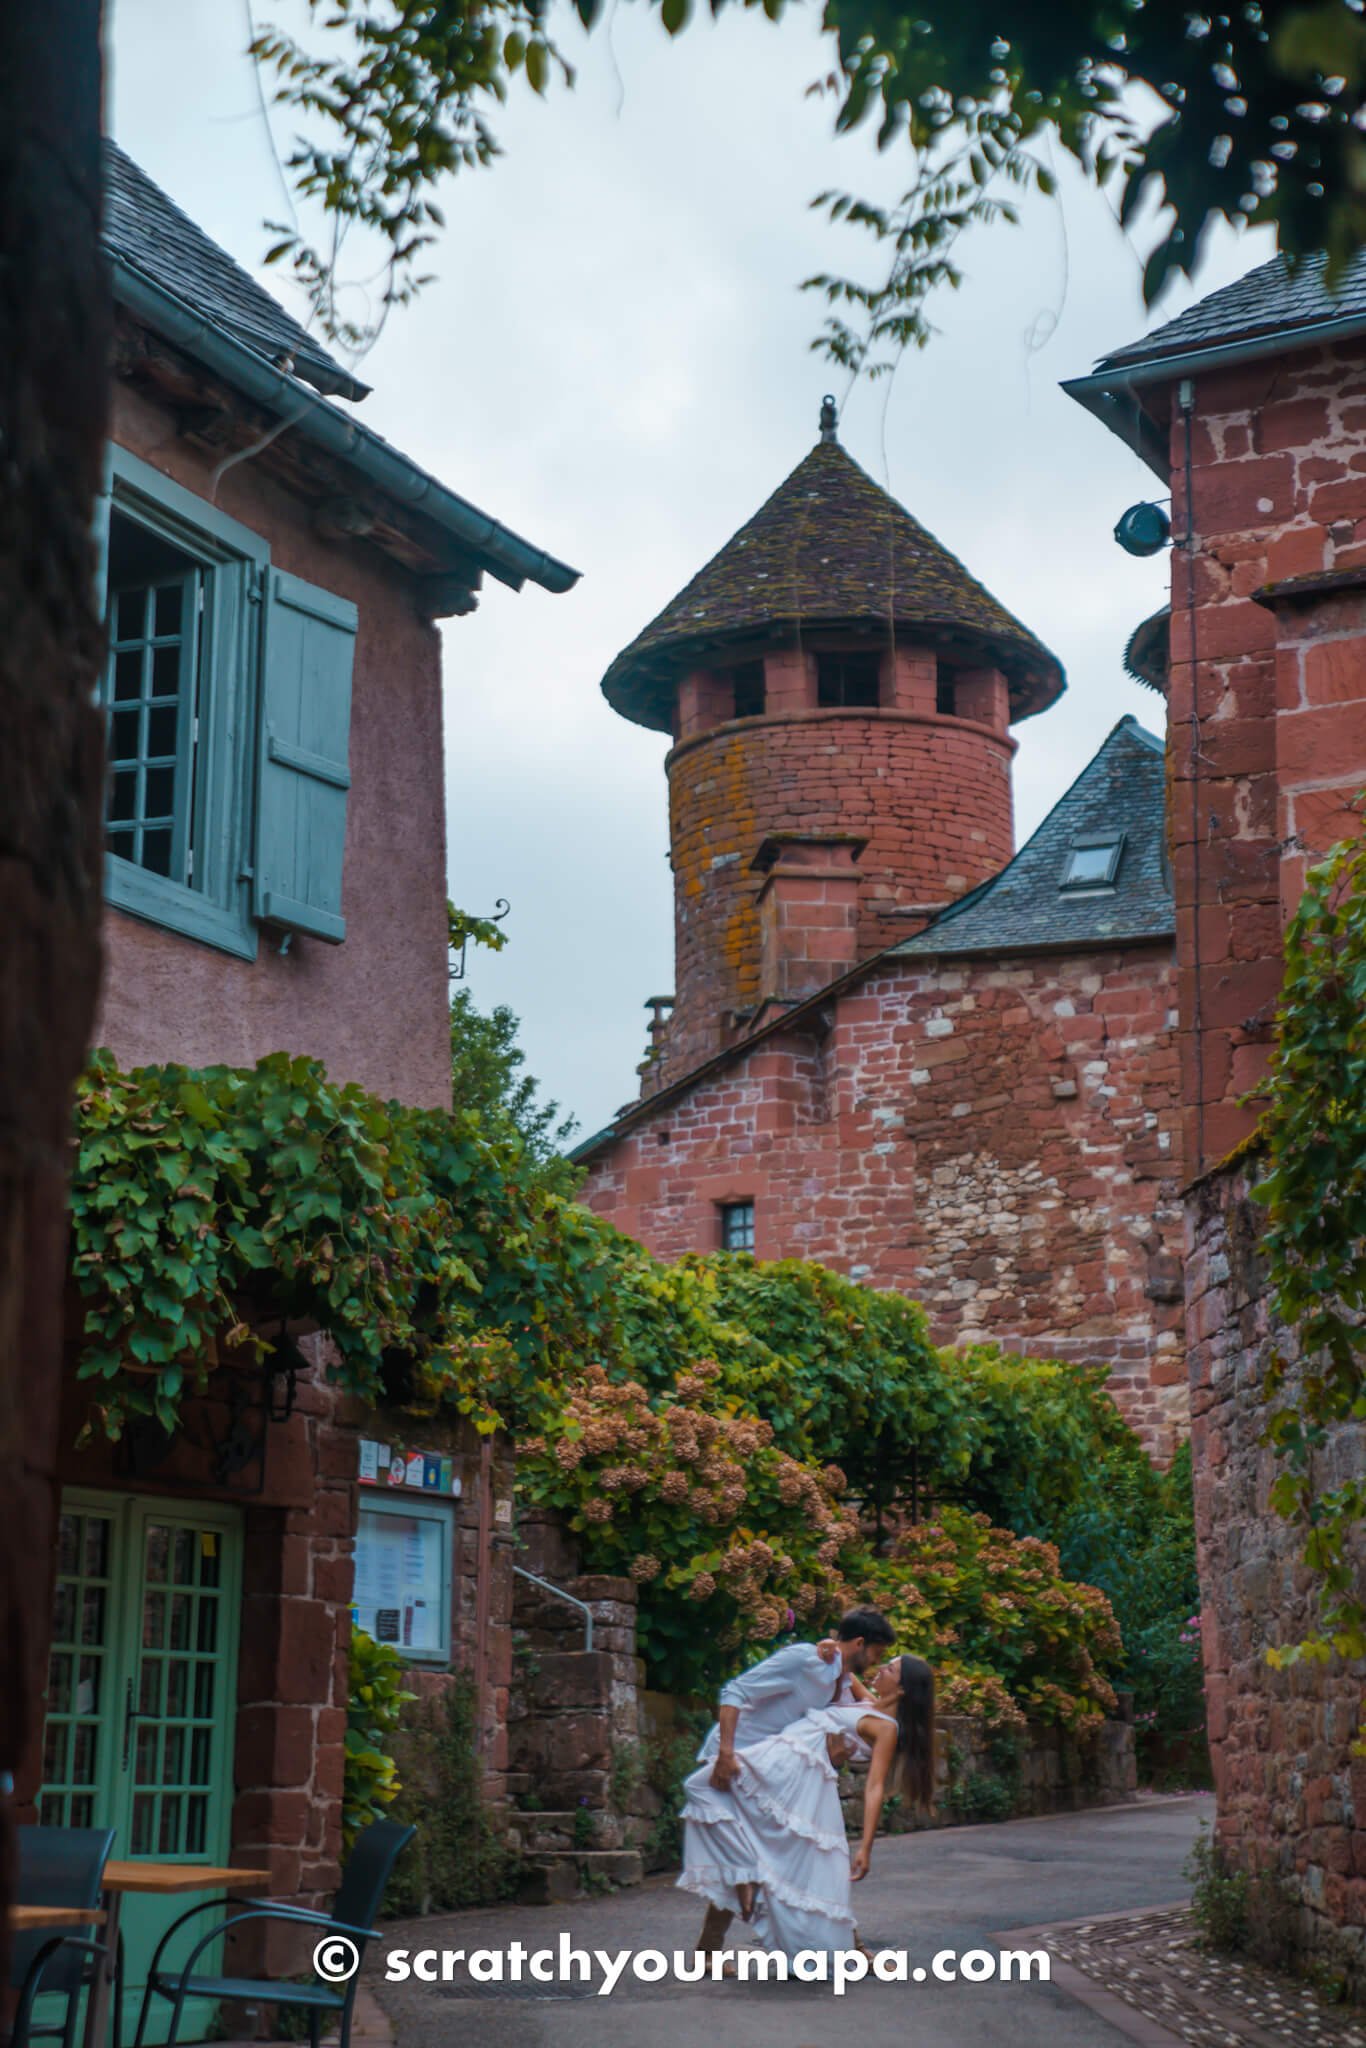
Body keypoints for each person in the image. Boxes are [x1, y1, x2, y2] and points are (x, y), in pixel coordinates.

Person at [679, 1652, 936, 1962]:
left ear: (903, 1688)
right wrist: (829, 1646)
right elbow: (845, 1664)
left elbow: (874, 1787)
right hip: (782, 1774)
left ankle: (711, 1947)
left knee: (790, 1864)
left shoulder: (886, 1728)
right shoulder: (868, 1703)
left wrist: (866, 1847)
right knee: (760, 1850)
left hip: (797, 1787)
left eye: (890, 1668)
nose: (880, 1668)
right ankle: (712, 1943)